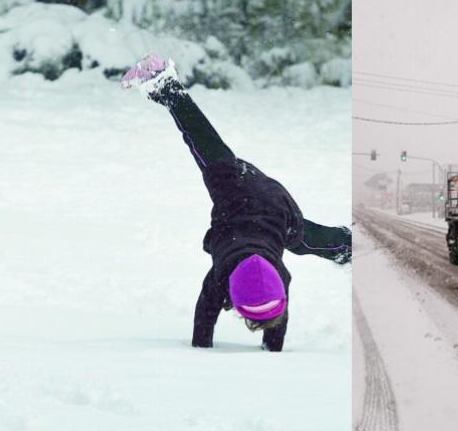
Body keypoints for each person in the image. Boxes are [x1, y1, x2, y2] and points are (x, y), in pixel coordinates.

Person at [121, 54, 351, 352]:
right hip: (247, 195)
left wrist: (209, 347)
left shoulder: (265, 281)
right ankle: (164, 83)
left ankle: (351, 245)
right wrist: (206, 347)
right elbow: (206, 314)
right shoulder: (224, 280)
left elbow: (222, 315)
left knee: (306, 239)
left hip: (270, 209)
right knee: (203, 143)